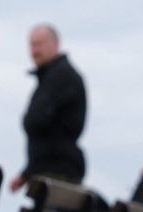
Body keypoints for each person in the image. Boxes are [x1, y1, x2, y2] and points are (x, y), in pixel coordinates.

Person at [11, 24, 87, 192]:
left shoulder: (60, 76)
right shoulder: (56, 76)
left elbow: (36, 122)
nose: (34, 51)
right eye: (31, 45)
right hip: (58, 169)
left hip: (56, 174)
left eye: (39, 44)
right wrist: (27, 172)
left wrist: (28, 121)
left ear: (55, 44)